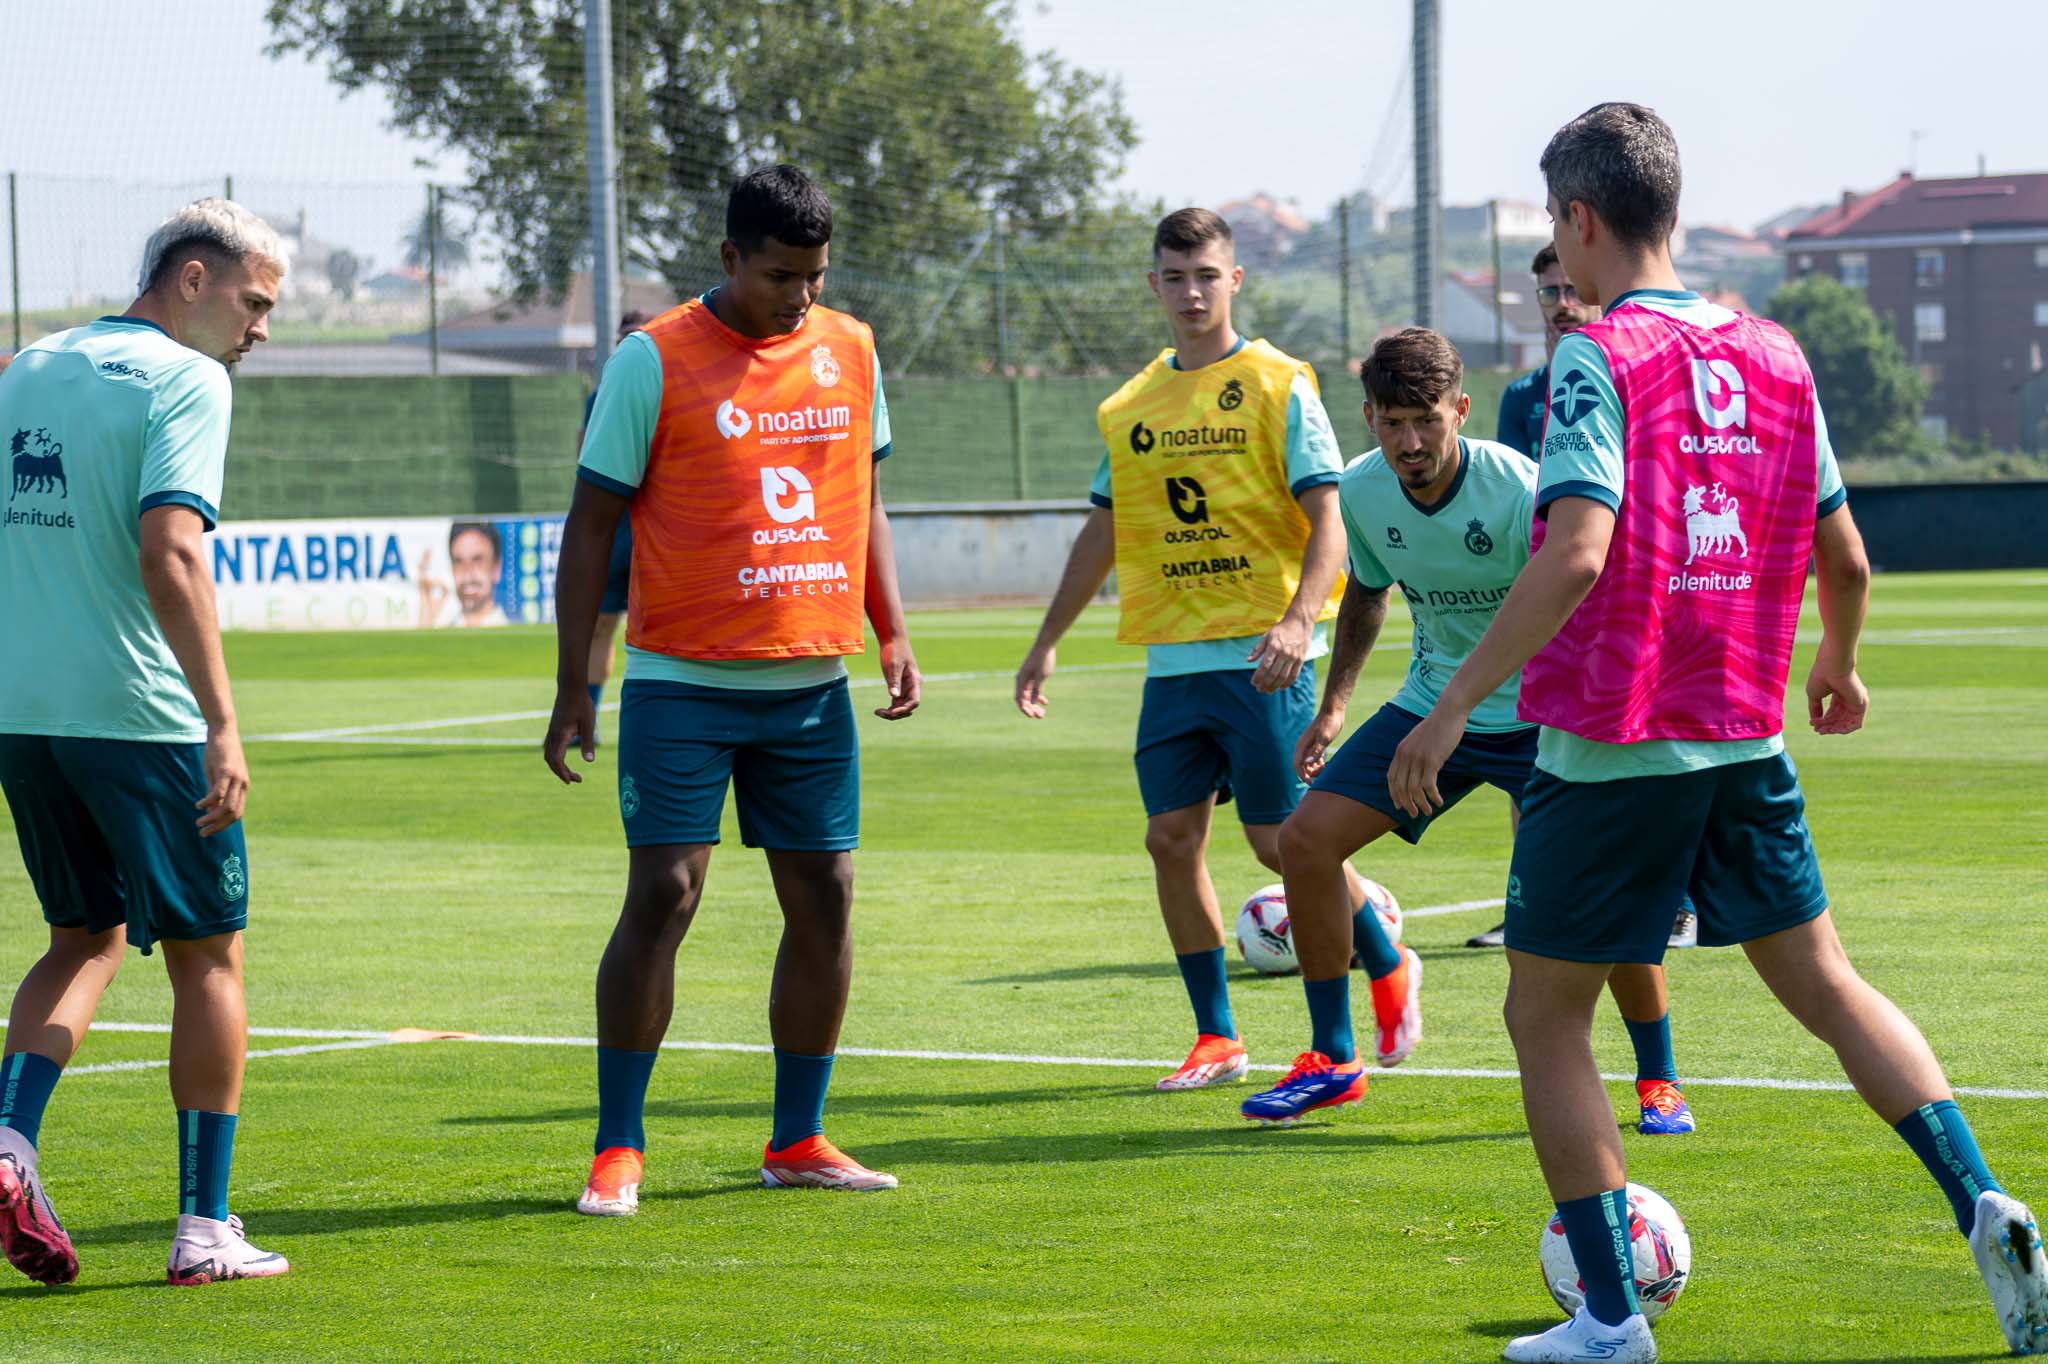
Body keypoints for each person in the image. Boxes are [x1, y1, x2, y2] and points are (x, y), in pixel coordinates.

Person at [1387, 103, 2047, 1362]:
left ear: (1578, 219)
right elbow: (1844, 555)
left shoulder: (1594, 355)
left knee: (1543, 1015)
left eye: (1555, 231)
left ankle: (1608, 1320)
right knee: (1829, 986)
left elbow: (1575, 549)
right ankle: (1985, 1201)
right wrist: (1835, 665)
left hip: (1610, 739)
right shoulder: (1778, 353)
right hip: (1745, 734)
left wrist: (1457, 701)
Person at [544, 165, 919, 1211]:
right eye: (777, 276)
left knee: (827, 898)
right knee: (664, 892)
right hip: (680, 680)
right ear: (728, 259)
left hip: (811, 682)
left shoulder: (850, 347)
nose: (797, 296)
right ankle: (618, 1144)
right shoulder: (649, 358)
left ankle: (796, 1136)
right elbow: (589, 523)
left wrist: (890, 627)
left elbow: (865, 498)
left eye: (813, 276)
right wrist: (578, 677)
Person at [1238, 329, 1692, 1139]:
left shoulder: (1520, 490)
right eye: (1392, 423)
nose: (1410, 443)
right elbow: (1370, 595)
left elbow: (1585, 602)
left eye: (1427, 421)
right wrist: (1337, 705)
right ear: (1369, 416)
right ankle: (1331, 1061)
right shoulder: (1363, 492)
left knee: (1602, 895)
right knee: (1304, 841)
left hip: (1549, 714)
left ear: (1460, 409)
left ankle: (1657, 1077)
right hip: (1432, 705)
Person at [1016, 208, 1378, 1092]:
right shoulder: (1131, 405)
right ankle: (1217, 1037)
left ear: (1235, 280)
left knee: (1280, 844)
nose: (1191, 293)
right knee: (1170, 839)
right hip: (1172, 659)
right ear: (1154, 285)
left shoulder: (1279, 382)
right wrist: (1047, 642)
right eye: (1175, 277)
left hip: (1264, 653)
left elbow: (1329, 517)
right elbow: (1100, 535)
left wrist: (1299, 620)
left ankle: (1383, 965)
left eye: (1207, 276)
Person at [0, 198, 291, 1286]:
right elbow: (171, 551)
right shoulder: (187, 378)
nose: (261, 329)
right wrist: (222, 720)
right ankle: (205, 1228)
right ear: (191, 279)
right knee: (208, 953)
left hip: (24, 709)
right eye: (254, 302)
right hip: (140, 712)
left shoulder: (29, 364)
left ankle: (7, 1143)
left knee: (83, 931)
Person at [1469, 245, 1694, 951]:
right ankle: (1527, 902)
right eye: (1547, 292)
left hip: (1626, 590)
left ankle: (1676, 904)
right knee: (1530, 754)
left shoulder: (1624, 371)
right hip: (1553, 595)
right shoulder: (1522, 397)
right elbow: (1513, 501)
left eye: (1571, 288)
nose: (1562, 303)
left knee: (1647, 754)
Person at [578, 309, 653, 747]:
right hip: (616, 532)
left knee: (663, 629)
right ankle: (588, 711)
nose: (632, 345)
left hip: (656, 534)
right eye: (626, 338)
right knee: (602, 625)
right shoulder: (602, 395)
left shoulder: (671, 385)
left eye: (639, 337)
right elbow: (585, 462)